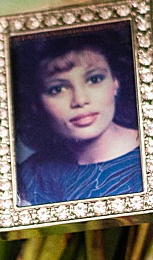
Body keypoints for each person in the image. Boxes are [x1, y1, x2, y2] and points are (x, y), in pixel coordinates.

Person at [12, 26, 144, 207]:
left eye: (94, 79)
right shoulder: (30, 178)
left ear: (115, 83)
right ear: (36, 103)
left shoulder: (151, 155)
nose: (80, 100)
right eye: (57, 89)